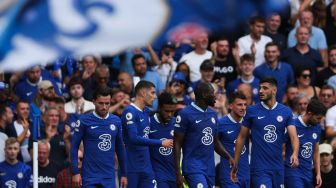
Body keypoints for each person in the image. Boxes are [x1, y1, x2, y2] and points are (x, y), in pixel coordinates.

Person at [231, 77, 299, 188]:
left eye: (265, 88)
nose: (261, 91)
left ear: (274, 90)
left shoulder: (286, 111)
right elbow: (242, 137)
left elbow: (294, 137)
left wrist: (295, 153)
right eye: (260, 88)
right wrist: (235, 162)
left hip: (278, 167)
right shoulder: (252, 111)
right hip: (259, 168)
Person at [174, 82, 233, 188]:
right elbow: (177, 143)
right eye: (212, 93)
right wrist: (178, 172)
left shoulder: (213, 114)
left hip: (210, 168)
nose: (215, 96)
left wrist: (228, 157)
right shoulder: (185, 114)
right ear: (204, 95)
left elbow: (215, 142)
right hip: (193, 167)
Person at [71, 87, 127, 187]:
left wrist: (124, 174)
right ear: (94, 102)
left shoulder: (116, 121)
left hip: (109, 176)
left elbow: (120, 148)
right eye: (101, 103)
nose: (104, 107)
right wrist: (75, 172)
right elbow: (74, 147)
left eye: (107, 103)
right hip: (89, 176)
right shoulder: (84, 121)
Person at [121, 80, 173, 188]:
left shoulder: (146, 112)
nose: (154, 97)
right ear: (143, 93)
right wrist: (161, 143)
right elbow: (133, 138)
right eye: (152, 93)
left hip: (147, 167)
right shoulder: (130, 112)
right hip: (132, 166)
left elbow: (162, 111)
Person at [284, 99, 327, 188]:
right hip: (292, 172)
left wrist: (318, 173)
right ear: (310, 113)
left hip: (308, 172)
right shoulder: (293, 125)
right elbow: (280, 146)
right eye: (318, 118)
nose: (319, 121)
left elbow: (316, 151)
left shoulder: (317, 127)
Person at [218, 91, 249, 188]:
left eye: (245, 105)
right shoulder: (221, 123)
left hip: (246, 174)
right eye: (239, 105)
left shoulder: (248, 123)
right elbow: (214, 144)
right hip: (228, 174)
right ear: (230, 106)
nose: (243, 108)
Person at [149, 92, 178, 188]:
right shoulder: (149, 122)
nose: (170, 114)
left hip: (175, 173)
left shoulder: (177, 123)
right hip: (158, 173)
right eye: (166, 111)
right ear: (159, 108)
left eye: (173, 111)